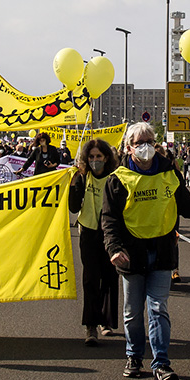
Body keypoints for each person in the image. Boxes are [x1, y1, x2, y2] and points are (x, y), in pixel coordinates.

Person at [101, 122, 190, 380]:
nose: (144, 147)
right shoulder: (118, 179)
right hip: (130, 255)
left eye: (149, 141)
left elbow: (186, 205)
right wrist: (114, 249)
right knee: (132, 313)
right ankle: (134, 356)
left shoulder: (170, 174)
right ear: (128, 147)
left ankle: (161, 364)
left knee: (158, 308)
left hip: (161, 253)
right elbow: (109, 220)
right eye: (139, 142)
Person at [69, 138, 121, 346]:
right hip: (89, 231)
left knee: (109, 277)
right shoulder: (83, 177)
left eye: (98, 156)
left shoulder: (115, 178)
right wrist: (74, 183)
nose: (94, 160)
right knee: (90, 278)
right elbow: (73, 207)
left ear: (106, 158)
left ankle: (106, 321)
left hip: (111, 234)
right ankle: (91, 325)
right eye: (91, 157)